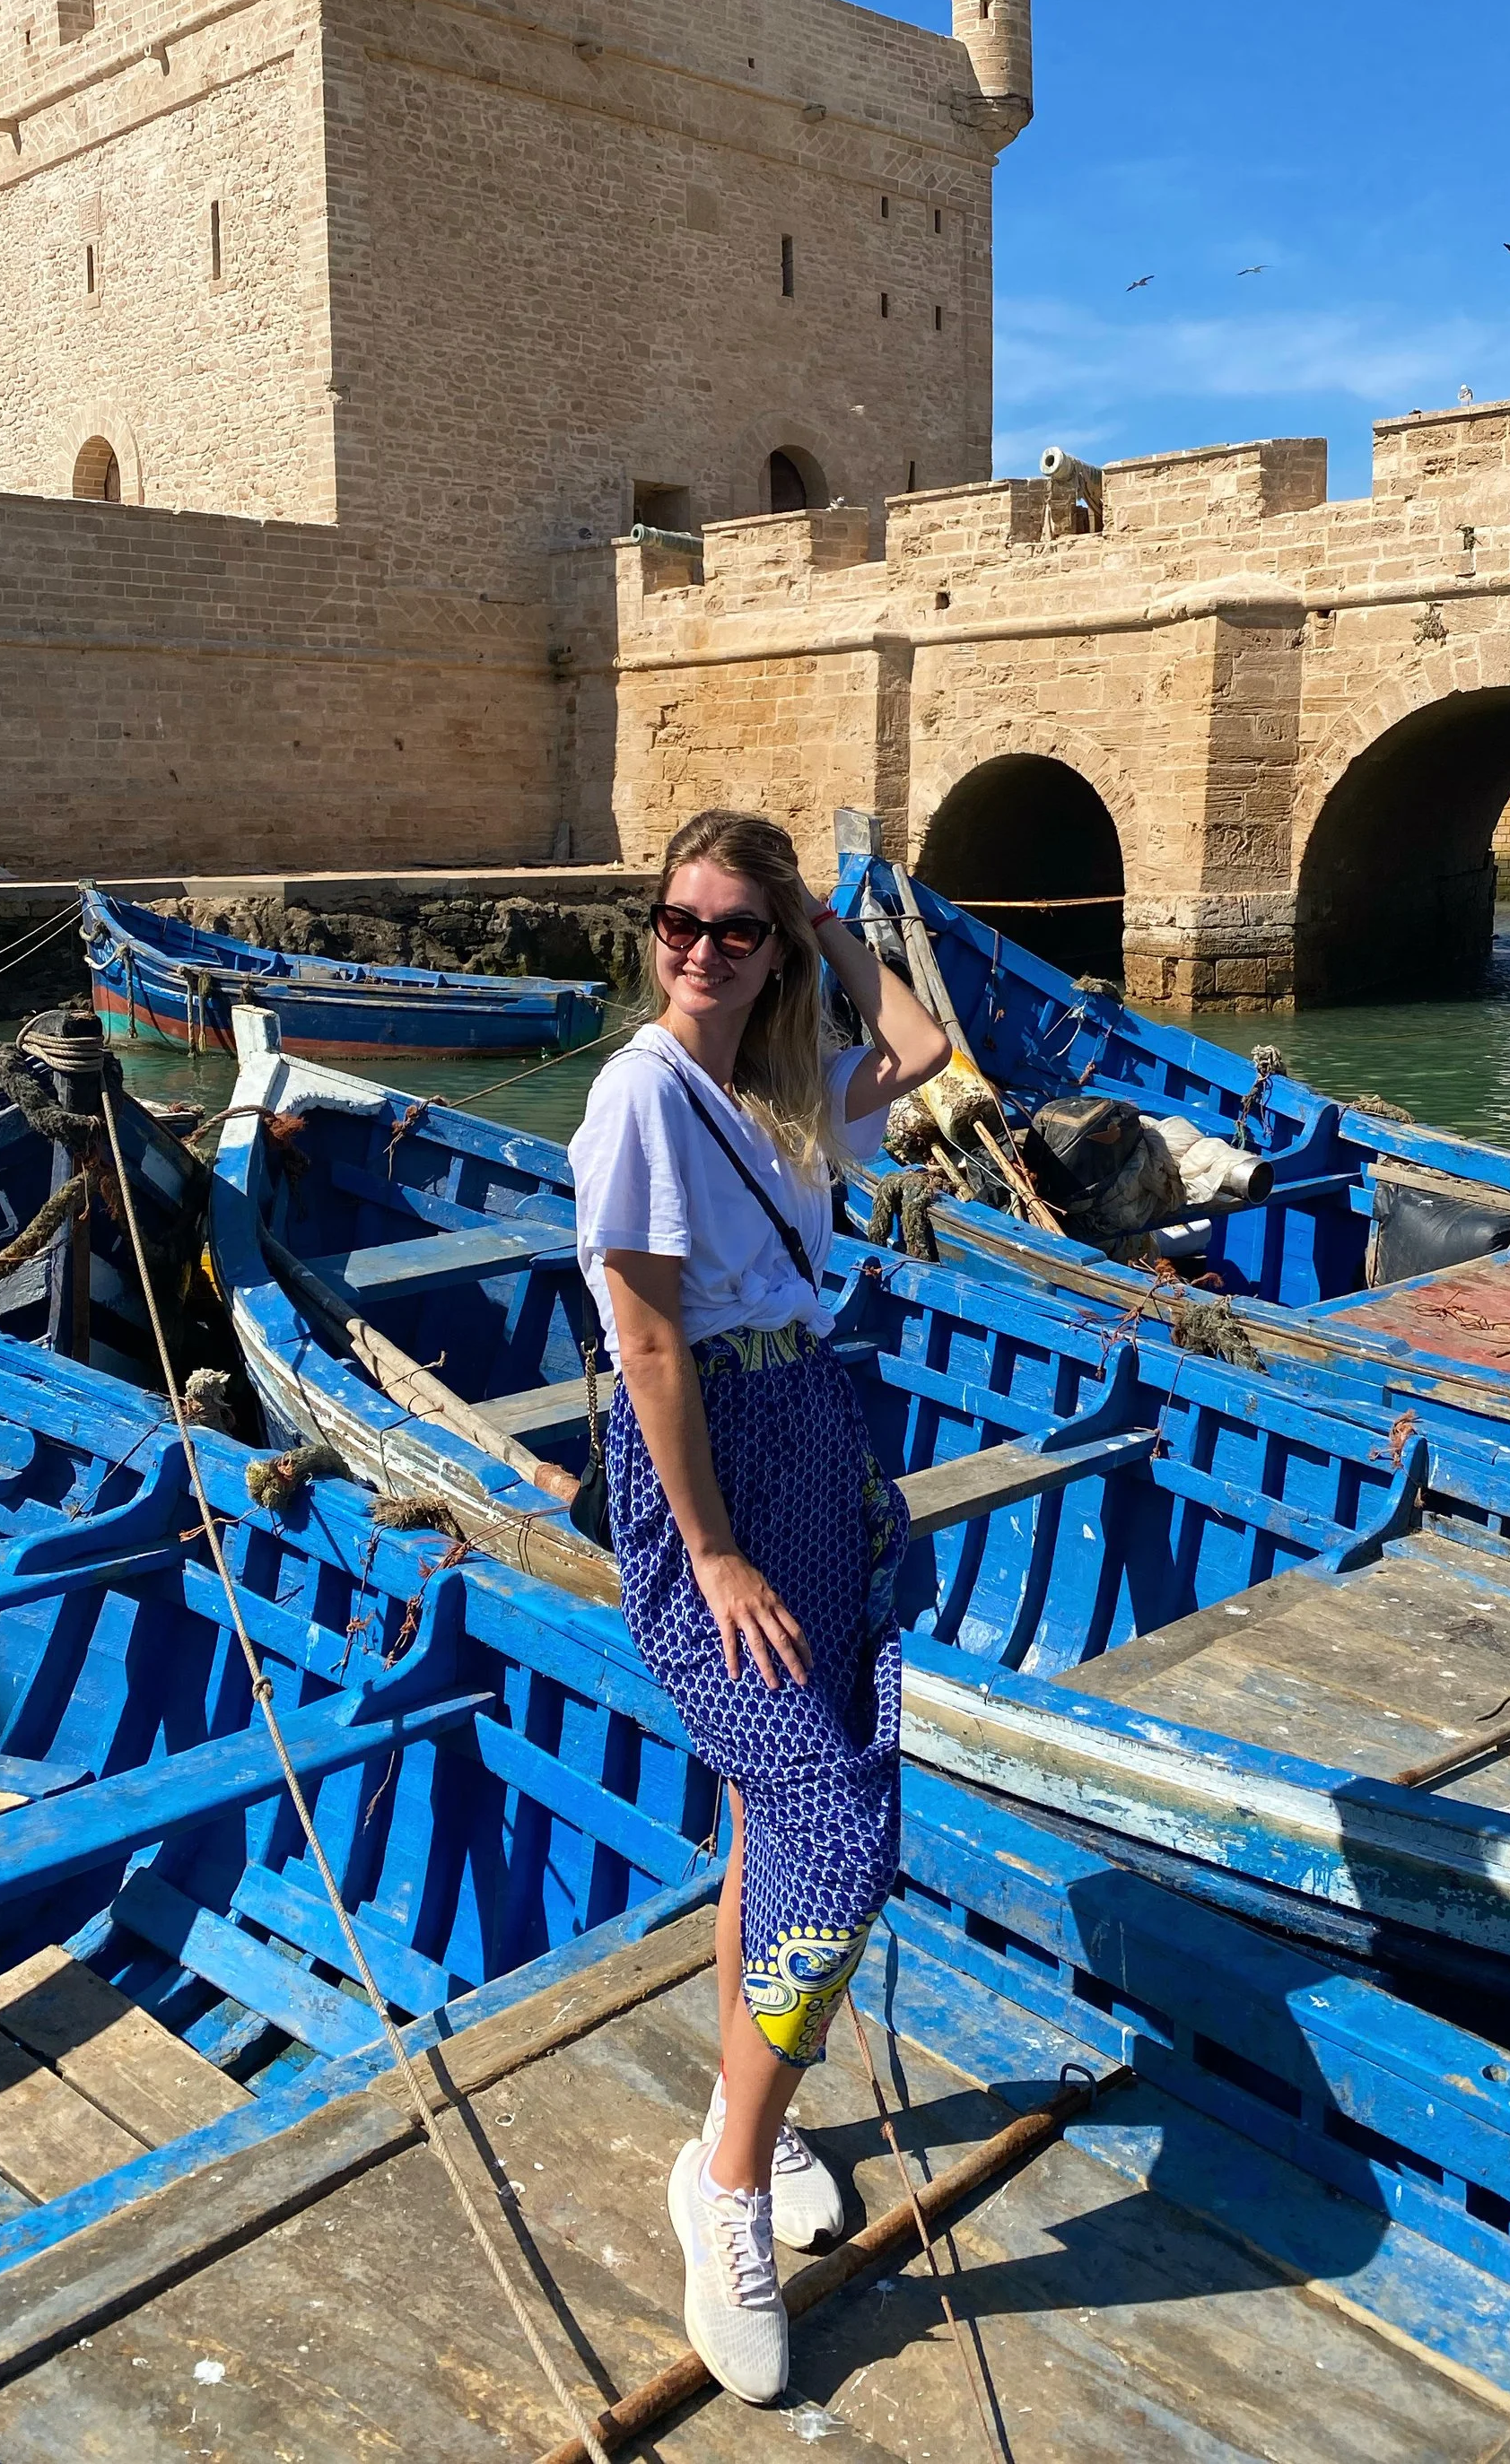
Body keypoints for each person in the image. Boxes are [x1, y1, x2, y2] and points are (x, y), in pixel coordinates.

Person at [568, 808, 949, 2404]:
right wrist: (711, 1555)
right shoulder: (638, 1096)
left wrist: (836, 925)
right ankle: (724, 2179)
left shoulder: (781, 1089)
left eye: (736, 928)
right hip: (710, 1464)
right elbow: (648, 1349)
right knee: (842, 1826)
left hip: (815, 1438)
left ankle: (757, 2124)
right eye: (678, 919)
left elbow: (919, 1047)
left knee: (763, 1815)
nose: (699, 950)